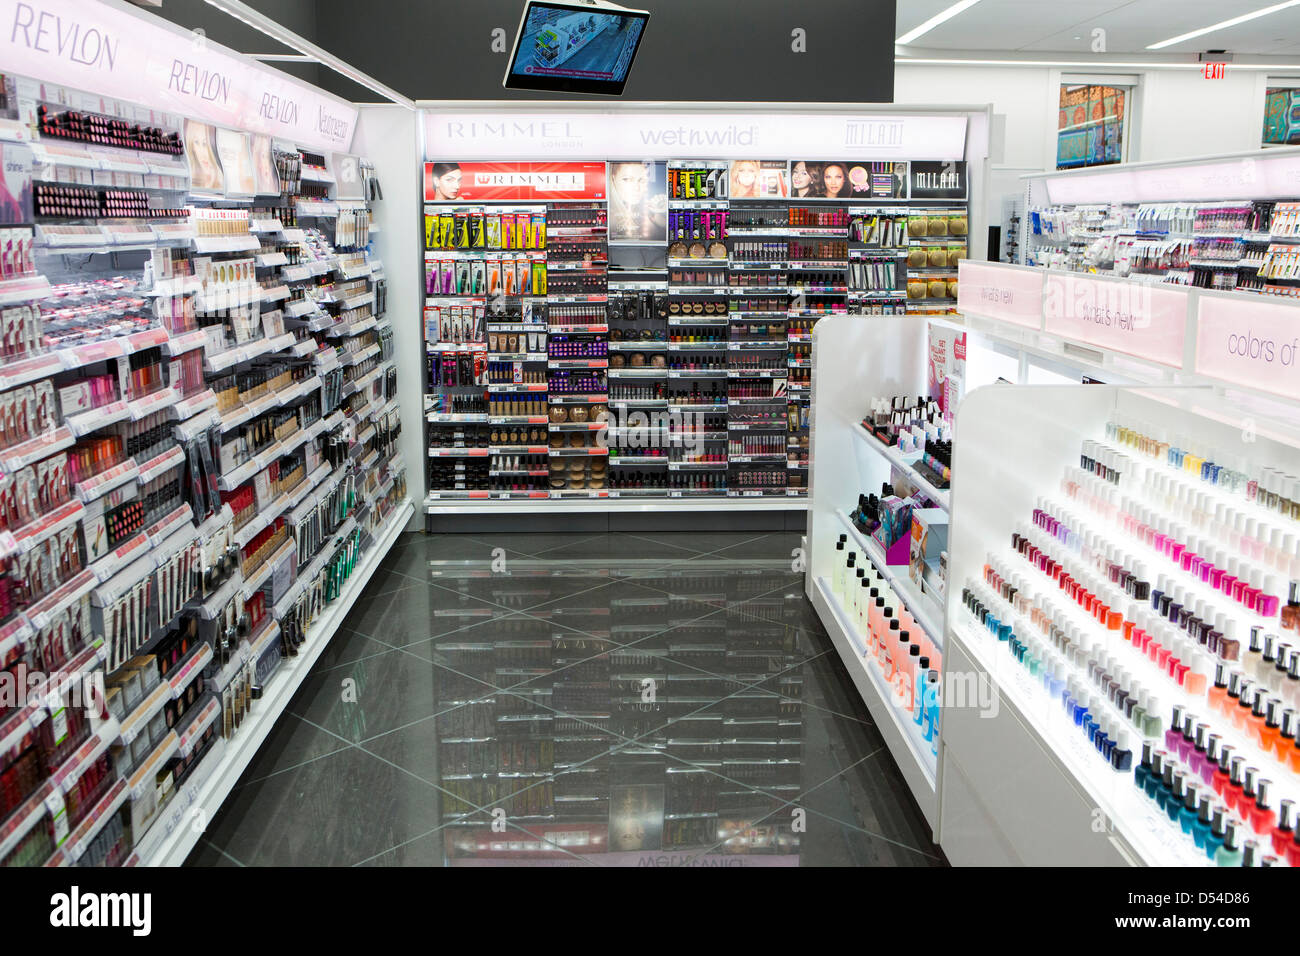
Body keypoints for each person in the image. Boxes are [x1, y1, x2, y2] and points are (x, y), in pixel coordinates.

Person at [609, 161, 666, 241]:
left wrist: (663, 210)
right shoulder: (609, 218)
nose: (636, 188)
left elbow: (675, 230)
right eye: (627, 179)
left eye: (642, 180)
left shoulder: (645, 211)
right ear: (613, 178)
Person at [184, 120, 223, 193]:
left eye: (205, 143)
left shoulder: (222, 181)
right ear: (192, 147)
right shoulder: (188, 180)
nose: (202, 153)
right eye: (196, 142)